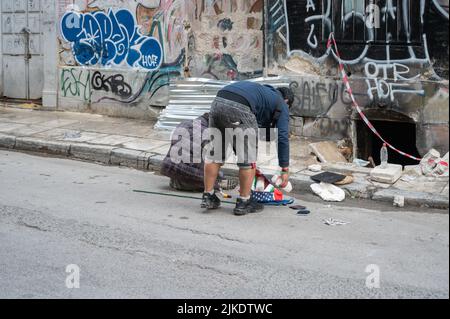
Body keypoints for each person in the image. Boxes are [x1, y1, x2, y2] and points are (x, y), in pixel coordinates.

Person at [201, 81, 294, 216]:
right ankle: (244, 202)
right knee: (248, 160)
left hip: (218, 101)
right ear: (287, 101)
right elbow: (283, 137)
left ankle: (208, 196)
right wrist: (284, 168)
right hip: (241, 107)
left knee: (215, 154)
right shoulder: (282, 104)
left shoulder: (264, 92)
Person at [161, 113, 237, 192]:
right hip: (191, 173)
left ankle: (179, 182)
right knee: (213, 167)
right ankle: (218, 182)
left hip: (169, 167)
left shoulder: (184, 123)